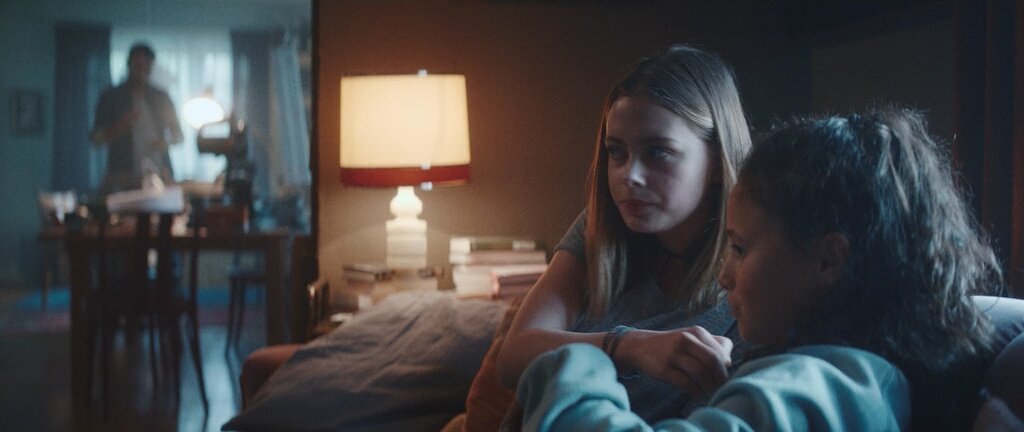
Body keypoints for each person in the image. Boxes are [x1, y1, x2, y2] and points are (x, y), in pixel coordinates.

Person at [516, 107, 1001, 431]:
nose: (724, 276)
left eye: (740, 248)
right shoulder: (852, 378)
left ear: (828, 260)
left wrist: (578, 367)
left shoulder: (819, 385)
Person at [496, 44, 753, 422]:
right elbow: (513, 358)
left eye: (657, 152)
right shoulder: (600, 227)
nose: (628, 176)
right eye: (616, 152)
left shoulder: (752, 278)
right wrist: (631, 346)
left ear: (717, 161)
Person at [91, 43, 183, 195]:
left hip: (159, 175)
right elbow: (96, 138)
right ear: (130, 65)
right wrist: (120, 126)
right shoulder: (111, 98)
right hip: (122, 177)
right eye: (138, 65)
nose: (142, 70)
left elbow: (179, 136)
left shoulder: (162, 98)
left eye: (146, 66)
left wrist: (164, 142)